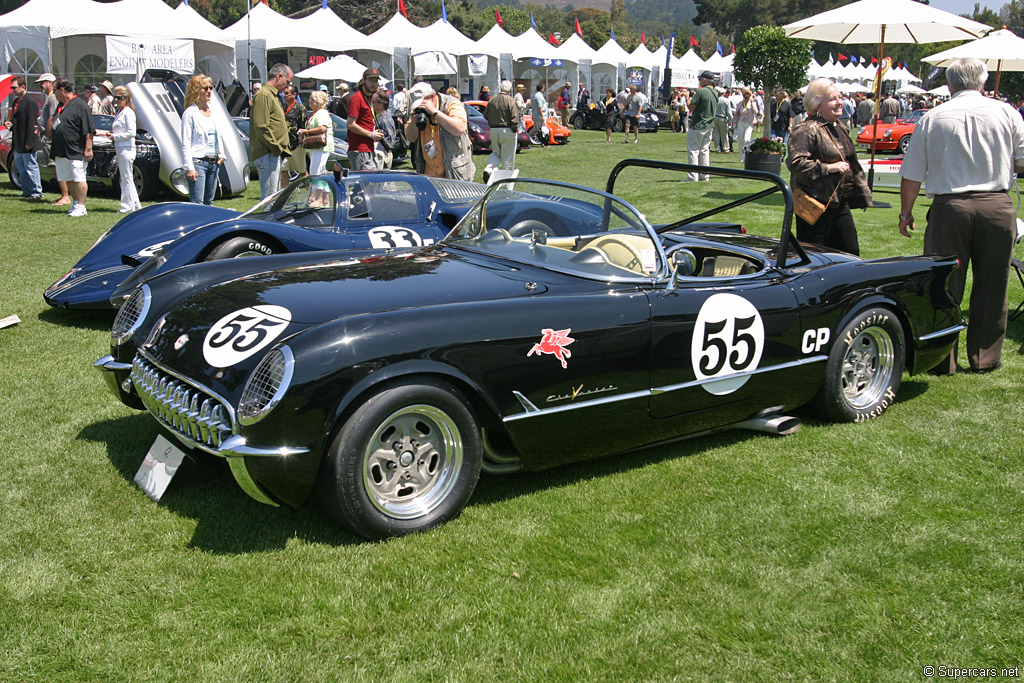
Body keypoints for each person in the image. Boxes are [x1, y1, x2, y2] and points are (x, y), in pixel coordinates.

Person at [898, 58, 1024, 375]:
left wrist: (906, 212)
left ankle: (943, 358)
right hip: (996, 204)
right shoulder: (1008, 113)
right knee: (994, 283)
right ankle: (985, 356)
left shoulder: (932, 117)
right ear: (982, 82)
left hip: (949, 207)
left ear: (950, 84)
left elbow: (911, 173)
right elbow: (1022, 161)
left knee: (943, 283)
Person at [787, 78, 872, 256]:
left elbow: (851, 163)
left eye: (839, 97)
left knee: (849, 251)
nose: (839, 102)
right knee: (813, 254)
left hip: (839, 202)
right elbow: (795, 163)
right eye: (833, 99)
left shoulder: (840, 127)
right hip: (814, 203)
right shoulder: (806, 129)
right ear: (818, 104)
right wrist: (829, 168)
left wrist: (861, 194)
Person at [404, 82, 475, 181]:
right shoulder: (419, 112)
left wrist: (435, 112)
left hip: (454, 173)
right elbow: (411, 138)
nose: (420, 107)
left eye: (422, 104)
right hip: (430, 175)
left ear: (432, 97)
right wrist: (413, 122)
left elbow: (458, 129)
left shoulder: (452, 103)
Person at [180, 74, 228, 205]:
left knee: (209, 202)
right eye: (204, 88)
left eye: (210, 88)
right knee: (197, 203)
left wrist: (222, 154)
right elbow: (186, 142)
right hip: (198, 162)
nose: (209, 91)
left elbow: (218, 134)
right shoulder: (190, 114)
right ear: (196, 91)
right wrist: (189, 167)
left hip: (214, 161)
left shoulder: (214, 111)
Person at [51, 78, 95, 217]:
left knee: (78, 177)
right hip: (62, 149)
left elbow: (88, 129)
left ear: (62, 90)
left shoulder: (80, 105)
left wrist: (88, 148)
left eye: (55, 91)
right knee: (67, 177)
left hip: (76, 148)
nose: (54, 94)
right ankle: (76, 202)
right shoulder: (61, 105)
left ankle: (82, 206)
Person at [250, 63, 293, 200]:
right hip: (268, 153)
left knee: (272, 196)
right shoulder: (264, 95)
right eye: (287, 82)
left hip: (272, 154)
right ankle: (266, 221)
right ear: (279, 76)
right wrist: (276, 147)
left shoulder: (271, 95)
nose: (287, 87)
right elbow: (261, 126)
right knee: (269, 199)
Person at [96, 85, 142, 213]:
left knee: (126, 178)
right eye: (115, 98)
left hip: (126, 148)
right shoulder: (120, 112)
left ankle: (127, 206)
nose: (116, 100)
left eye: (119, 98)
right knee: (126, 177)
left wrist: (115, 136)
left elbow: (131, 132)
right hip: (121, 147)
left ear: (126, 99)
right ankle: (135, 205)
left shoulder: (128, 112)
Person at [6, 76, 43, 200]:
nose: (13, 90)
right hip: (17, 141)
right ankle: (26, 191)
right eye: (12, 88)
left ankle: (36, 192)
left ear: (23, 87)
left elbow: (33, 123)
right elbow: (17, 120)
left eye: (14, 87)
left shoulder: (30, 102)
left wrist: (30, 141)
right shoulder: (16, 101)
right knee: (21, 168)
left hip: (27, 141)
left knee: (31, 167)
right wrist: (10, 124)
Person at [347, 67, 384, 171]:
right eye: (371, 80)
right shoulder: (357, 98)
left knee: (371, 184)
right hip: (359, 149)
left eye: (376, 81)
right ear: (363, 80)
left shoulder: (368, 98)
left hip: (368, 148)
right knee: (369, 184)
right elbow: (350, 124)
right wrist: (371, 134)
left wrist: (373, 132)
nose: (374, 83)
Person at [483, 79, 519, 178]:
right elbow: (514, 117)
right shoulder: (510, 100)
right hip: (507, 129)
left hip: (494, 129)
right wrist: (514, 129)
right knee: (508, 156)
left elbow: (485, 115)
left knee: (495, 153)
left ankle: (489, 169)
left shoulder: (492, 99)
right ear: (510, 89)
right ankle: (506, 177)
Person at [686, 71, 718, 181]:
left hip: (698, 124)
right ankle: (705, 175)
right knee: (704, 151)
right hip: (709, 125)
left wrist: (687, 98)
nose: (699, 80)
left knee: (693, 150)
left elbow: (691, 107)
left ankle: (693, 176)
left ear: (704, 79)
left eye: (700, 79)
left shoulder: (701, 92)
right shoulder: (715, 92)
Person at [296, 89, 334, 180]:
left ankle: (318, 193)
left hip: (321, 146)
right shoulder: (315, 113)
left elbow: (322, 128)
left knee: (316, 172)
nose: (309, 101)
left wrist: (306, 132)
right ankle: (323, 193)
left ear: (318, 101)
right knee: (320, 171)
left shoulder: (321, 113)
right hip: (316, 146)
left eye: (312, 99)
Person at [281, 83, 307, 186]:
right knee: (284, 170)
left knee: (301, 171)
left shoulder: (300, 108)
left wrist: (301, 137)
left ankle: (311, 193)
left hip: (296, 144)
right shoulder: (282, 107)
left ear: (294, 94)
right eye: (283, 93)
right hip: (284, 144)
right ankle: (285, 195)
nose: (284, 95)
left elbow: (303, 124)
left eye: (287, 93)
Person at [733, 88, 762, 162]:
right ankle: (741, 158)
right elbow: (737, 113)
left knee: (747, 139)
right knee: (741, 140)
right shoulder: (740, 103)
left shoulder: (752, 103)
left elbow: (756, 111)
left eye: (748, 97)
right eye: (745, 97)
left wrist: (752, 103)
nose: (746, 99)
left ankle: (747, 156)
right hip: (741, 122)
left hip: (749, 123)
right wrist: (734, 123)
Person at [371, 90, 397, 170]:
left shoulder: (385, 119)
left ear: (381, 104)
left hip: (383, 156)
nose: (371, 104)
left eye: (373, 102)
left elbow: (390, 143)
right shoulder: (380, 117)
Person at [713, 87, 732, 153]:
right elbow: (729, 112)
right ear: (723, 93)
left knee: (716, 133)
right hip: (722, 118)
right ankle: (726, 149)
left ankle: (717, 148)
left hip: (714, 117)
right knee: (724, 134)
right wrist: (730, 120)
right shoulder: (726, 100)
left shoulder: (714, 100)